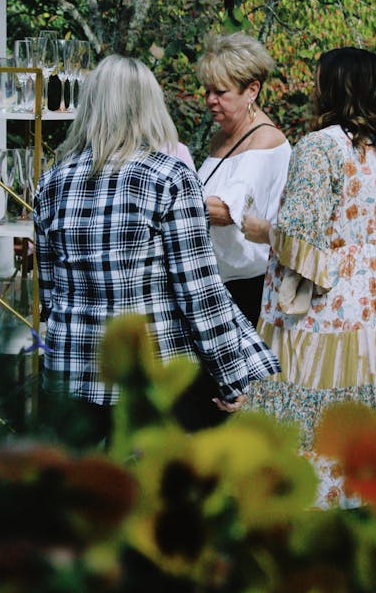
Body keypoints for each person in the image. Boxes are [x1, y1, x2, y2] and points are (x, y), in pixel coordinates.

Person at [33, 54, 280, 439]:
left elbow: (49, 295)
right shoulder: (168, 177)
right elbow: (199, 293)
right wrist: (238, 378)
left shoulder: (51, 182)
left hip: (71, 377)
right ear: (150, 106)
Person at [242, 47, 376, 503]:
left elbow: (299, 237)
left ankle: (322, 510)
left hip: (332, 303)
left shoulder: (321, 147)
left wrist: (261, 231)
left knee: (318, 406)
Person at [196, 33, 291, 325]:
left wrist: (165, 199)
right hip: (218, 283)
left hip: (251, 290)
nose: (211, 100)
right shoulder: (220, 139)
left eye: (221, 92)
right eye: (207, 91)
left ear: (252, 90)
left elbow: (226, 212)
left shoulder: (265, 140)